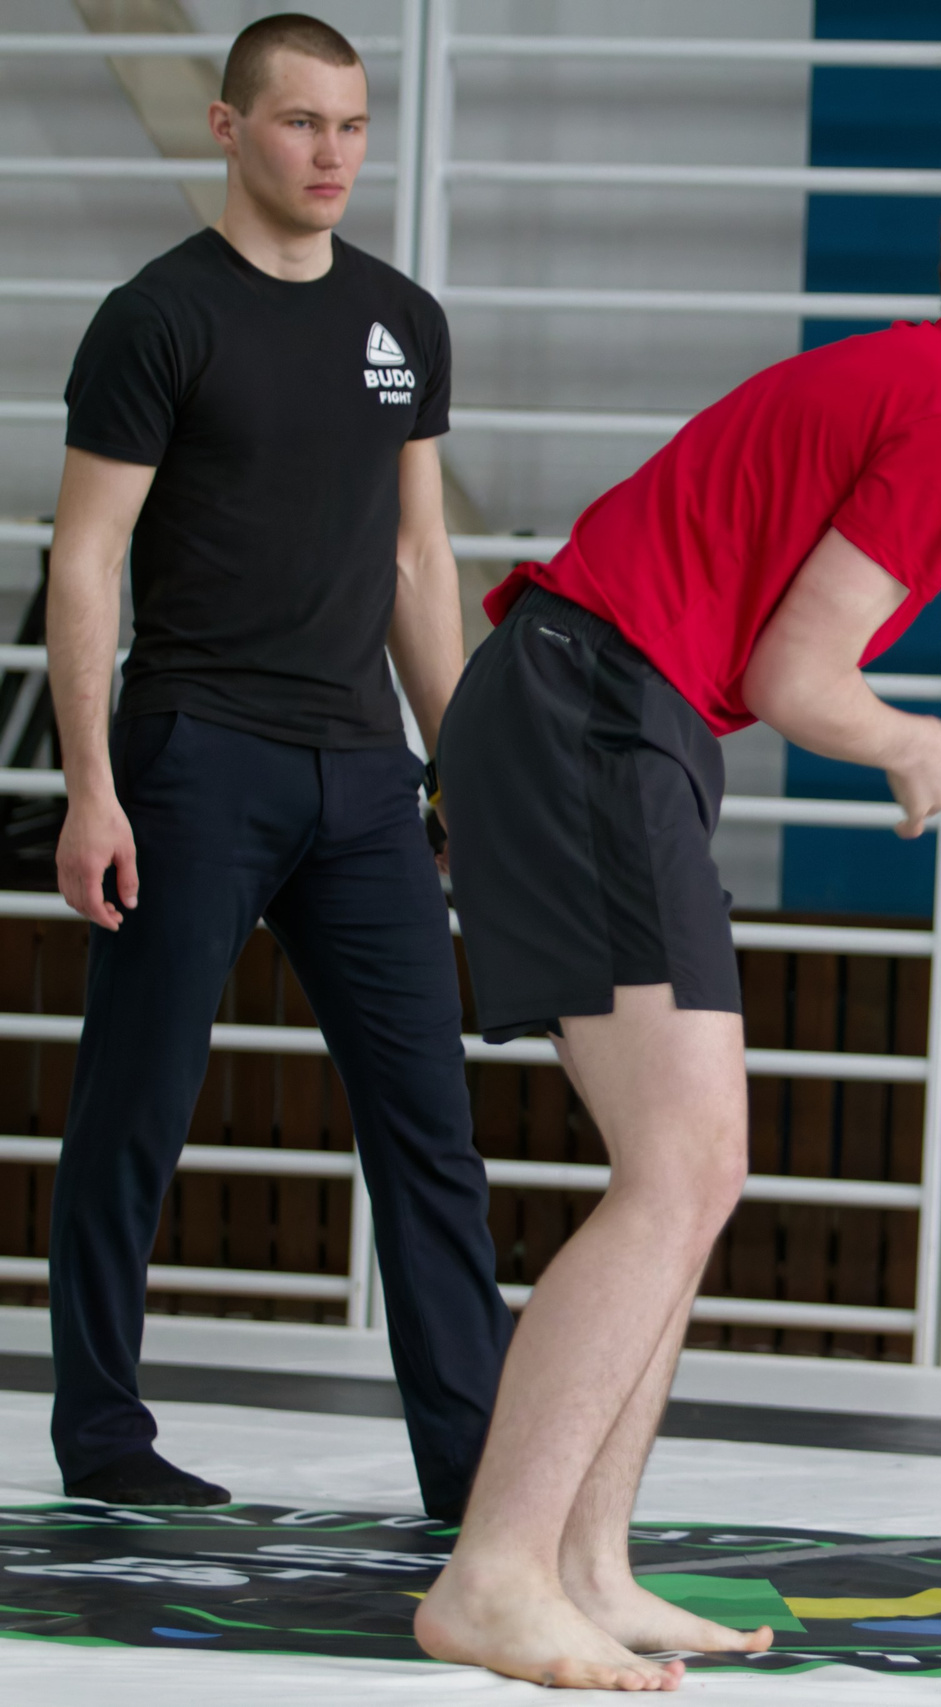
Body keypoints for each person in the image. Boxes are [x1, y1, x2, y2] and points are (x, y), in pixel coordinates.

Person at [412, 138, 941, 1691]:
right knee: (685, 1165)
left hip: (603, 712)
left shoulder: (940, 403)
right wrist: (910, 741)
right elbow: (798, 676)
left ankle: (585, 1564)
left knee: (686, 1174)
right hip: (593, 711)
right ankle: (496, 1570)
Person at [45, 14, 511, 1520]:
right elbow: (86, 557)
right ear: (229, 128)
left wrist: (464, 773)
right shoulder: (157, 317)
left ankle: (477, 1477)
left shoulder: (401, 320)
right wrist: (92, 786)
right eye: (302, 122)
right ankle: (103, 1438)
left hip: (364, 774)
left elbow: (419, 559)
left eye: (352, 126)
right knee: (136, 1103)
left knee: (429, 1123)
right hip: (197, 757)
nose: (332, 153)